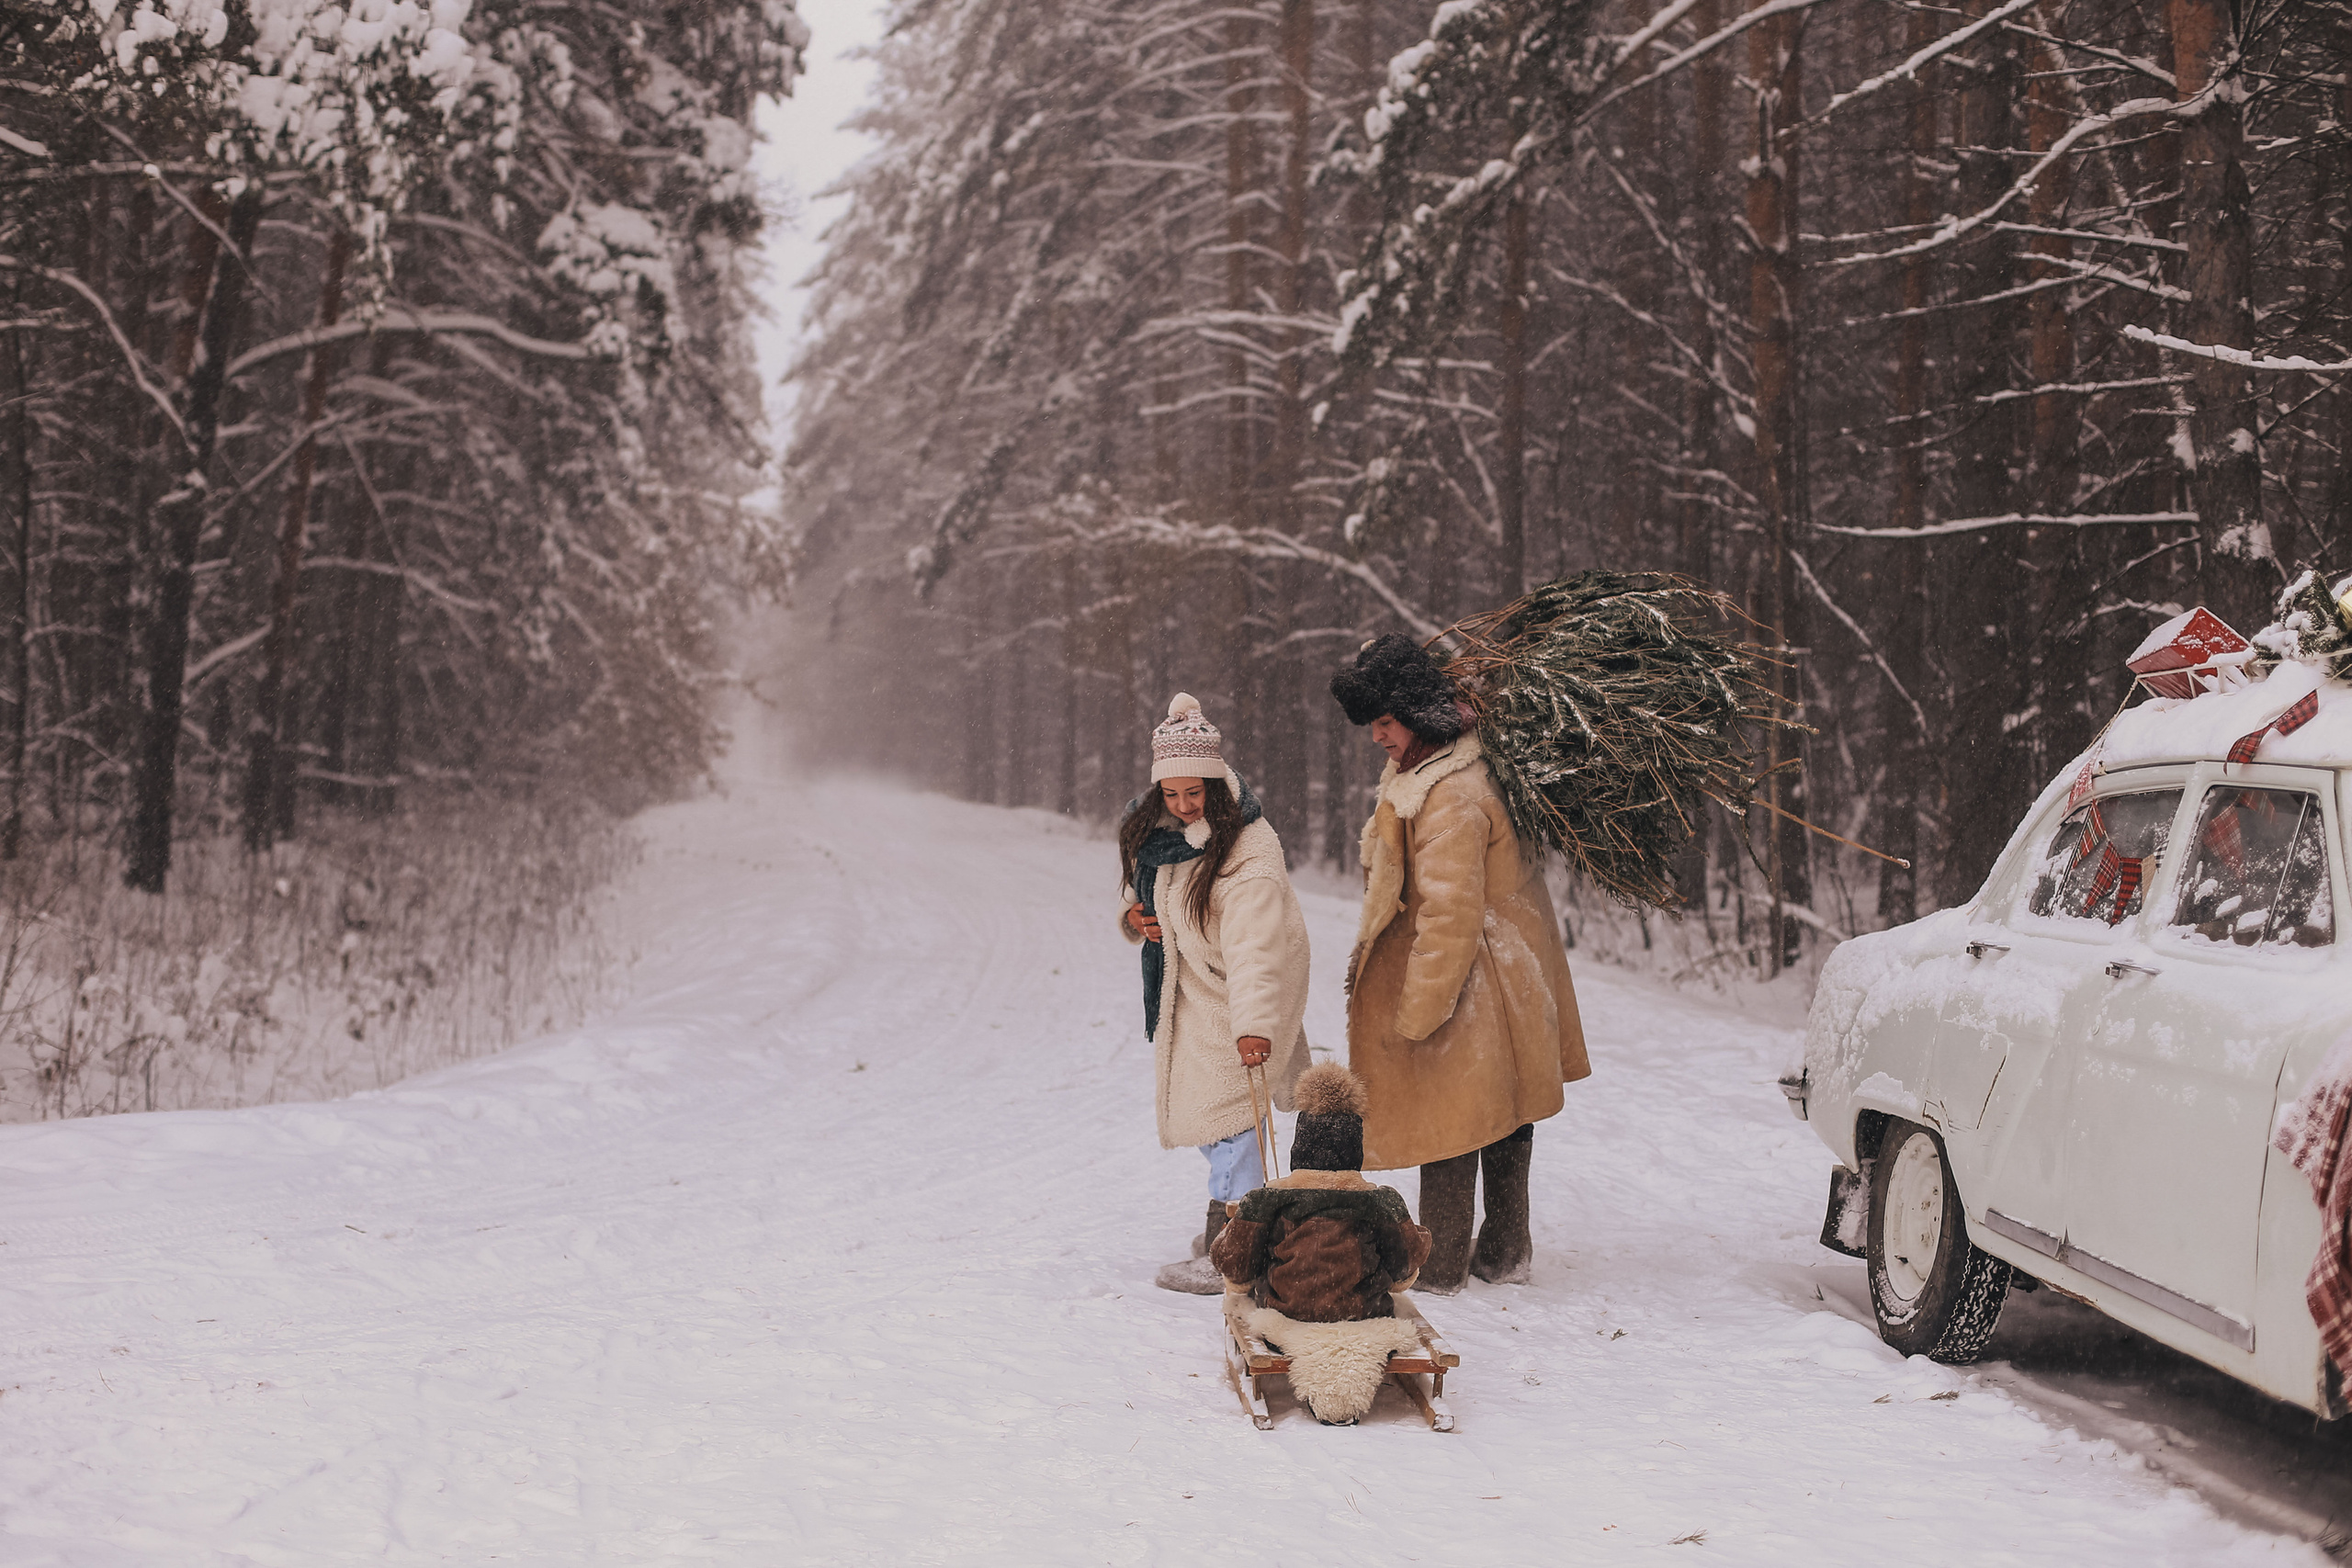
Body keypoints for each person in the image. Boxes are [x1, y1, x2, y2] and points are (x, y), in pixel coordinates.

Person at [1329, 633, 1589, 1293]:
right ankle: (1505, 1250)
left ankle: (1439, 1263)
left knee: (1452, 1119)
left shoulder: (1448, 795)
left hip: (1478, 985)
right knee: (1503, 1113)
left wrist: (1417, 1012)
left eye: (1383, 723)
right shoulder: (1454, 767)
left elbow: (1448, 918)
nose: (1376, 737)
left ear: (1413, 712)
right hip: (1510, 975)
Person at [1118, 693, 1311, 1293]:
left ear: (1214, 781)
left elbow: (1258, 950)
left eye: (1192, 793)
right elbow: (1144, 892)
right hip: (1195, 999)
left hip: (1240, 1004)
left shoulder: (1246, 851)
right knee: (1214, 1126)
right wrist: (1134, 920)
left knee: (1234, 1125)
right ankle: (1242, 1230)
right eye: (1170, 793)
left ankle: (1233, 1250)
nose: (1181, 804)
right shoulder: (1167, 836)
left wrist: (1255, 1025)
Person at [1210, 1063, 1432, 1425]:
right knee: (1401, 1259)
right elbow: (1408, 1260)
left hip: (1285, 1312)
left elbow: (1232, 1260)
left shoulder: (1267, 1200)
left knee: (1241, 1268)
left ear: (1300, 1146)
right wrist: (1408, 1257)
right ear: (1355, 1149)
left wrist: (1241, 1272)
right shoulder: (1380, 1201)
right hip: (1362, 1312)